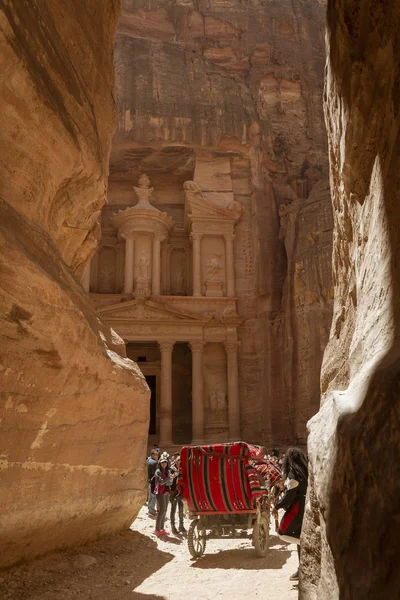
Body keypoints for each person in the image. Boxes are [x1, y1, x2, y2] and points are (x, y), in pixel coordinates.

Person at [275, 447, 308, 581]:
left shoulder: (294, 474)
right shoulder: (304, 472)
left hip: (297, 508)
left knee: (283, 532)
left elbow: (290, 494)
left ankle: (309, 546)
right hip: (304, 507)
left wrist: (278, 505)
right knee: (298, 536)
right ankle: (302, 569)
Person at [154, 455, 172, 536]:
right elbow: (161, 482)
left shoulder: (167, 471)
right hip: (160, 492)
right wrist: (168, 478)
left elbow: (170, 482)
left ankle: (162, 528)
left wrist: (168, 479)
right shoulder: (158, 471)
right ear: (160, 463)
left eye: (165, 462)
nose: (164, 464)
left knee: (164, 511)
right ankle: (157, 529)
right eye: (162, 462)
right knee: (161, 510)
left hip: (166, 492)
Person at [169, 453, 185, 535]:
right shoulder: (172, 469)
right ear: (175, 460)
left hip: (181, 492)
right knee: (173, 510)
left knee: (181, 510)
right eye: (178, 460)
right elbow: (170, 481)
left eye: (180, 460)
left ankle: (181, 526)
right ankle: (173, 526)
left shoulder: (182, 469)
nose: (179, 462)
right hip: (174, 492)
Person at [146, 449, 159, 516]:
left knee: (150, 496)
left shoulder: (148, 460)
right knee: (153, 496)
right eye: (156, 454)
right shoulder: (154, 462)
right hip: (153, 480)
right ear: (153, 455)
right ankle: (152, 511)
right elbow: (155, 474)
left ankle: (149, 509)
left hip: (148, 480)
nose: (157, 456)